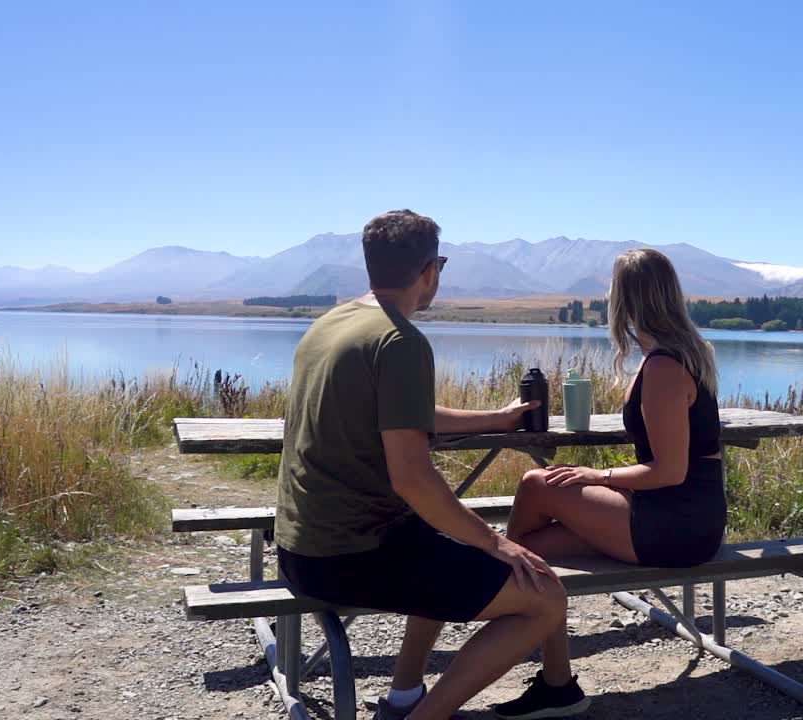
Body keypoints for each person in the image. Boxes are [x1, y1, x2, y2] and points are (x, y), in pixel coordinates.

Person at [274, 209, 566, 720]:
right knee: (546, 596)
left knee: (439, 539)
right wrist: (495, 542)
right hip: (351, 557)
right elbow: (411, 479)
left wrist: (495, 418)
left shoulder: (334, 324)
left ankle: (405, 696)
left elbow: (403, 415)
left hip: (301, 549)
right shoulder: (402, 341)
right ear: (429, 269)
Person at [491, 248, 725, 719]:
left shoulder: (662, 366)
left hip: (677, 522)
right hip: (687, 517)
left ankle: (502, 589)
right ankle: (557, 683)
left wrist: (598, 475)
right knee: (535, 550)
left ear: (627, 301)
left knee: (537, 484)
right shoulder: (678, 355)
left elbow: (670, 471)